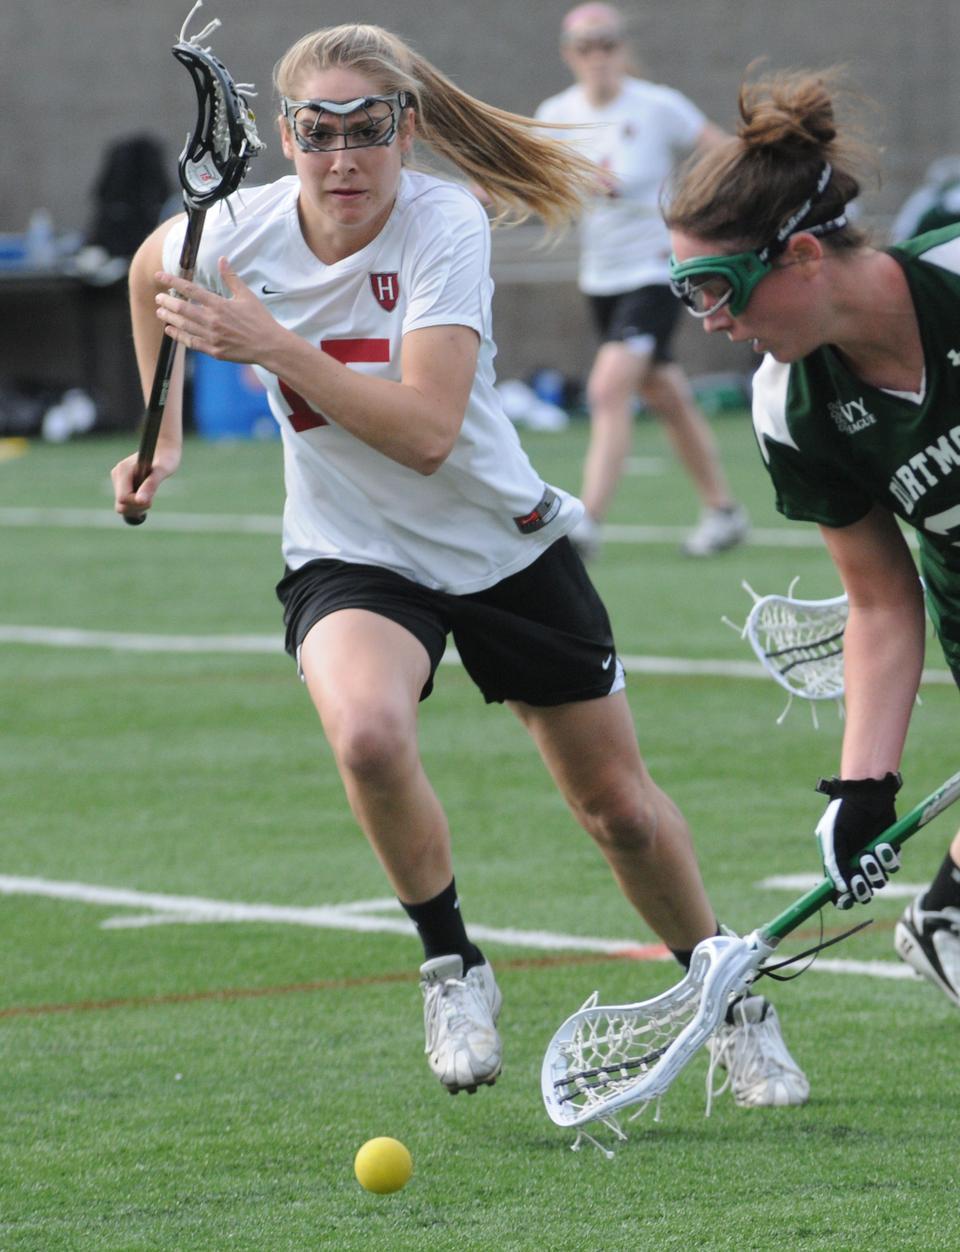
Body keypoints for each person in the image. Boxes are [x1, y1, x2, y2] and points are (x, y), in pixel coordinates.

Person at [111, 23, 808, 1105]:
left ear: (408, 130)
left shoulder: (444, 221)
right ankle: (452, 965)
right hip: (353, 552)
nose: (344, 158)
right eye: (319, 132)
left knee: (618, 810)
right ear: (287, 136)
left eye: (368, 130)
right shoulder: (241, 229)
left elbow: (430, 432)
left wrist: (273, 346)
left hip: (499, 542)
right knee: (368, 733)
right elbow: (151, 267)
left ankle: (729, 1000)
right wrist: (161, 438)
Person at [665, 65, 960, 1008]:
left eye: (721, 290)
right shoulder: (789, 407)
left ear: (799, 256)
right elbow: (879, 599)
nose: (716, 323)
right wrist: (863, 788)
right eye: (691, 296)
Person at [534, 2, 749, 559]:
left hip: (655, 270)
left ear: (622, 48)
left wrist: (704, 215)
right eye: (586, 47)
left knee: (608, 388)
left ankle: (587, 522)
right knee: (666, 394)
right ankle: (724, 511)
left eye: (607, 44)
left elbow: (726, 153)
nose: (598, 56)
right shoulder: (557, 112)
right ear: (568, 54)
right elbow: (531, 176)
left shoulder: (657, 105)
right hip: (600, 276)